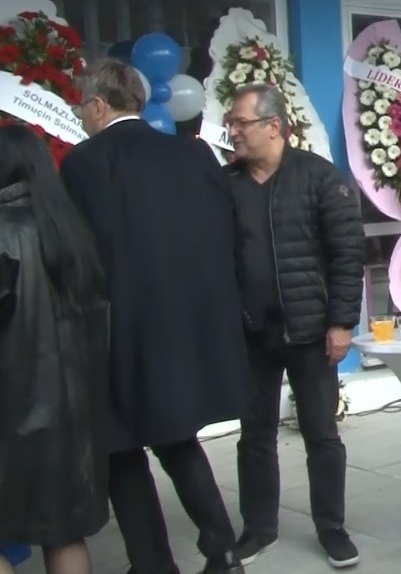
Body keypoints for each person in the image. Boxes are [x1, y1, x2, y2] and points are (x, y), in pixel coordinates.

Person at [61, 59, 248, 574]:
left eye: (82, 107)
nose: (81, 117)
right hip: (189, 323)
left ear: (98, 105)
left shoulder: (84, 162)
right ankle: (223, 549)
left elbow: (76, 252)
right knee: (177, 436)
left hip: (117, 328)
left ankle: (153, 564)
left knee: (120, 450)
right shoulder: (194, 156)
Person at [224, 84, 366, 569]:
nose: (233, 130)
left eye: (241, 122)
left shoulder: (320, 179)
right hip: (250, 335)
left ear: (274, 126)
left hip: (310, 334)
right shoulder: (227, 185)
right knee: (254, 434)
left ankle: (332, 528)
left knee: (321, 435)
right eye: (232, 122)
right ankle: (258, 527)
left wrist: (342, 323)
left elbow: (349, 256)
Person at [0, 125, 109, 574]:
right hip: (74, 415)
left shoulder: (5, 235)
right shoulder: (70, 230)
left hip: (16, 415)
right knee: (64, 534)